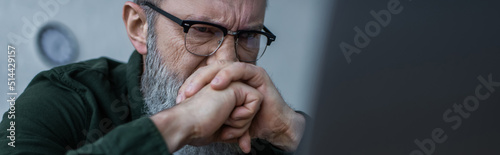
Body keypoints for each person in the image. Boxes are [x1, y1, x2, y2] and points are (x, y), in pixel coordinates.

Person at [0, 0, 307, 154]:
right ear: (139, 27)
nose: (227, 64)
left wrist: (291, 131)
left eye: (248, 36)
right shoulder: (58, 100)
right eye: (200, 30)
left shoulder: (269, 131)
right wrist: (178, 123)